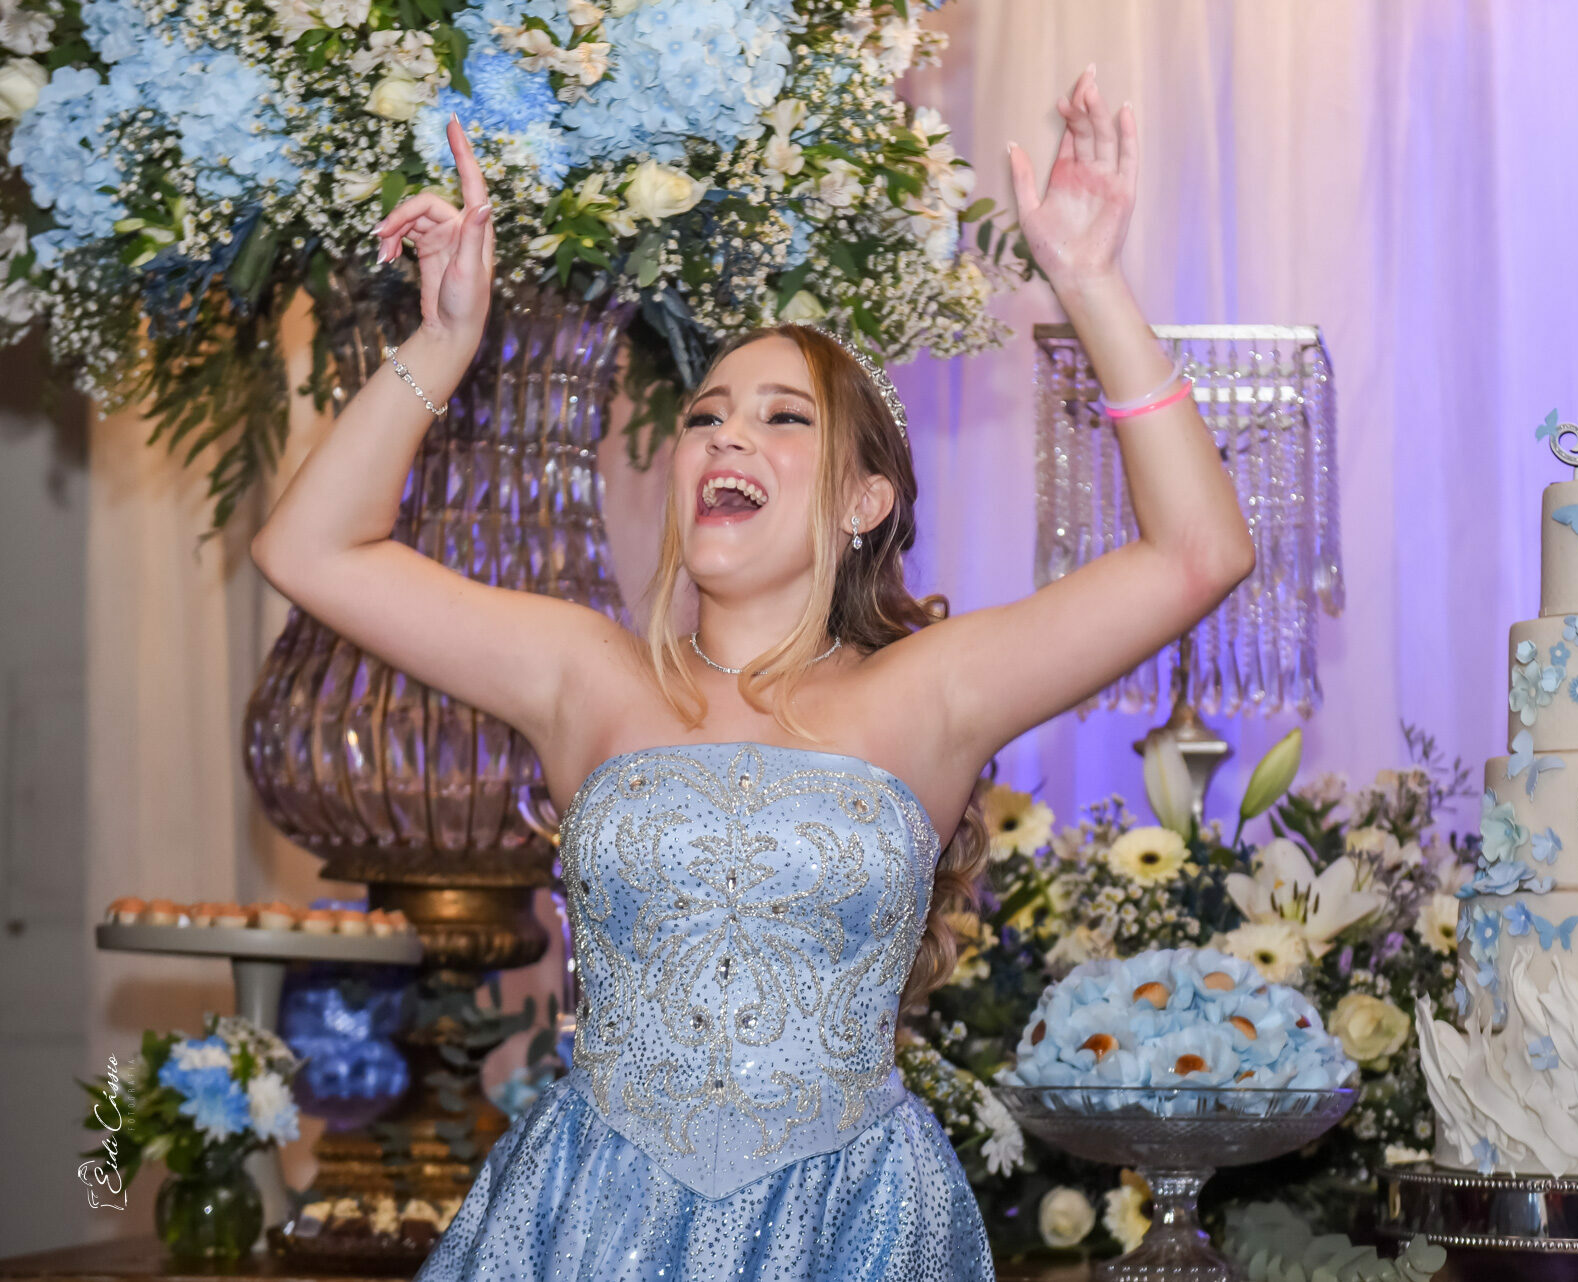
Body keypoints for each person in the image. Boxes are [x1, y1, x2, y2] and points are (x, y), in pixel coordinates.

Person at [252, 66, 1253, 1282]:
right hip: (589, 1221)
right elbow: (309, 551)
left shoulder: (930, 694)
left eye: (784, 417)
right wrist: (442, 341)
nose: (728, 432)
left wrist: (1090, 281)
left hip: (849, 1224)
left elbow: (1200, 553)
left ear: (863, 500)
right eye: (706, 415)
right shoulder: (585, 674)